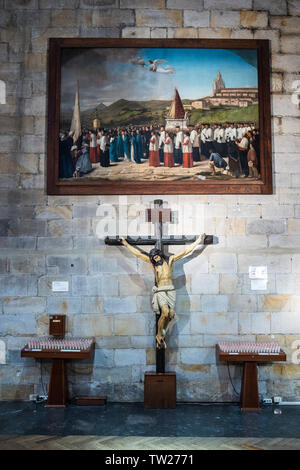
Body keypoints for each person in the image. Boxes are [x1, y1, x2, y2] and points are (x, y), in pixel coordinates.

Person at [119, 234, 206, 349]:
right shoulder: (153, 265)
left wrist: (199, 241)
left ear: (160, 254)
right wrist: (125, 243)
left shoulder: (170, 260)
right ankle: (159, 336)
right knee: (165, 313)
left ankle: (162, 335)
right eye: (154, 258)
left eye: (157, 256)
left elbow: (186, 251)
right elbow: (138, 254)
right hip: (161, 290)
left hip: (171, 290)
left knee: (170, 315)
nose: (156, 259)